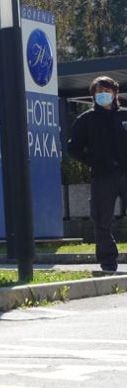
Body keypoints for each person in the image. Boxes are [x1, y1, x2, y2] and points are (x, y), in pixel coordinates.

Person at [68, 76, 127, 272]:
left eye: (107, 91)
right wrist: (94, 162)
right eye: (99, 91)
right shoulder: (86, 120)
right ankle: (108, 262)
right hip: (103, 176)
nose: (104, 94)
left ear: (115, 93)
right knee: (102, 220)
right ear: (93, 95)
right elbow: (73, 148)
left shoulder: (124, 116)